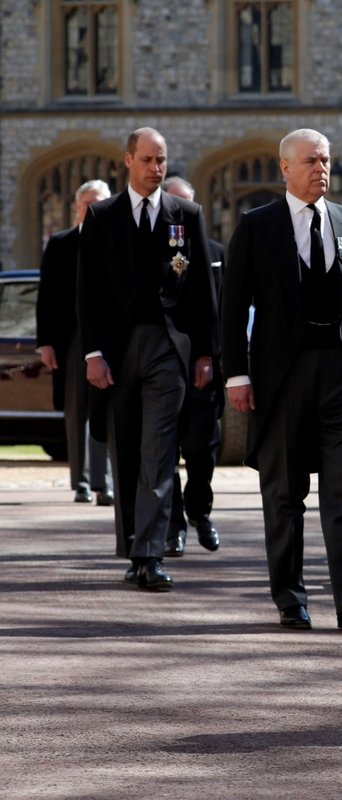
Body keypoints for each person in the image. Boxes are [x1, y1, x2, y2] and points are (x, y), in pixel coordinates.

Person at [222, 128, 342, 631]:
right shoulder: (257, 226)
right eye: (311, 161)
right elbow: (232, 307)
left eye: (327, 160)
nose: (321, 169)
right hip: (282, 376)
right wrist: (236, 374)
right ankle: (291, 599)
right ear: (285, 169)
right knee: (284, 493)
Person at [77, 128, 218, 591]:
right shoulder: (101, 216)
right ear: (128, 161)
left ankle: (151, 553)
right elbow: (88, 292)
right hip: (117, 352)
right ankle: (132, 546)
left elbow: (202, 292)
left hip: (168, 348)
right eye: (148, 160)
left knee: (159, 453)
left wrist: (204, 352)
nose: (156, 168)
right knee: (127, 449)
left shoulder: (187, 214)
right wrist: (93, 353)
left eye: (162, 160)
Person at [36, 179, 113, 506]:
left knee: (106, 411)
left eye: (101, 203)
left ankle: (104, 483)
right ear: (78, 207)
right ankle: (81, 483)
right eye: (89, 203)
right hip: (73, 340)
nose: (94, 209)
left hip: (111, 339)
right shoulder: (61, 243)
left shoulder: (119, 240)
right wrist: (46, 343)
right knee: (77, 411)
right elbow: (46, 298)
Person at [161, 176, 223, 557]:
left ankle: (200, 510)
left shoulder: (215, 252)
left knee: (202, 449)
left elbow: (223, 310)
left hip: (203, 368)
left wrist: (212, 357)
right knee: (164, 450)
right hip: (166, 365)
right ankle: (174, 525)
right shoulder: (152, 252)